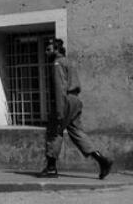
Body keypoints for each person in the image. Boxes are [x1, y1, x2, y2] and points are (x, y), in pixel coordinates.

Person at [37, 38, 113, 179]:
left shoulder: (57, 63)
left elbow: (59, 88)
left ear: (57, 50)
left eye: (49, 49)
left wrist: (59, 111)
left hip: (64, 100)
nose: (46, 52)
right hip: (75, 100)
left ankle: (51, 168)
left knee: (54, 131)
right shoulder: (69, 62)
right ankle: (102, 160)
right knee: (77, 132)